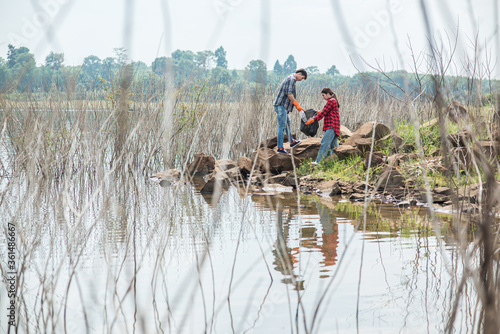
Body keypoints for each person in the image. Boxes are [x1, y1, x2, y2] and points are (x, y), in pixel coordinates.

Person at [273, 68, 308, 154]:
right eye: (302, 78)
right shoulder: (292, 79)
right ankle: (280, 148)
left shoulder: (291, 78)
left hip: (282, 106)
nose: (301, 80)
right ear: (299, 74)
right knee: (282, 126)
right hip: (281, 105)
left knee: (287, 122)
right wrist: (297, 105)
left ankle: (292, 142)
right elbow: (289, 94)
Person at [305, 88, 340, 164]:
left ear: (328, 94)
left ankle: (318, 162)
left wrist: (313, 120)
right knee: (334, 146)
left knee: (324, 142)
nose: (323, 97)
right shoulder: (333, 101)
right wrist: (318, 112)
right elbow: (327, 111)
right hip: (334, 125)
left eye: (323, 95)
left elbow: (324, 113)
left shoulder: (331, 101)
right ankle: (334, 162)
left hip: (332, 125)